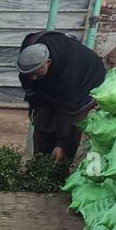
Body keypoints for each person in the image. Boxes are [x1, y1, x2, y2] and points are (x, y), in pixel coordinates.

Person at [17, 31, 106, 161]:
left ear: (48, 62)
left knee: (71, 124)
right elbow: (30, 84)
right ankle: (39, 162)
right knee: (43, 121)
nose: (34, 78)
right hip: (58, 79)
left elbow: (66, 111)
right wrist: (34, 103)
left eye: (37, 73)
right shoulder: (29, 48)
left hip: (84, 84)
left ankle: (62, 166)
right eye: (30, 74)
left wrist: (61, 145)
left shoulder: (69, 74)